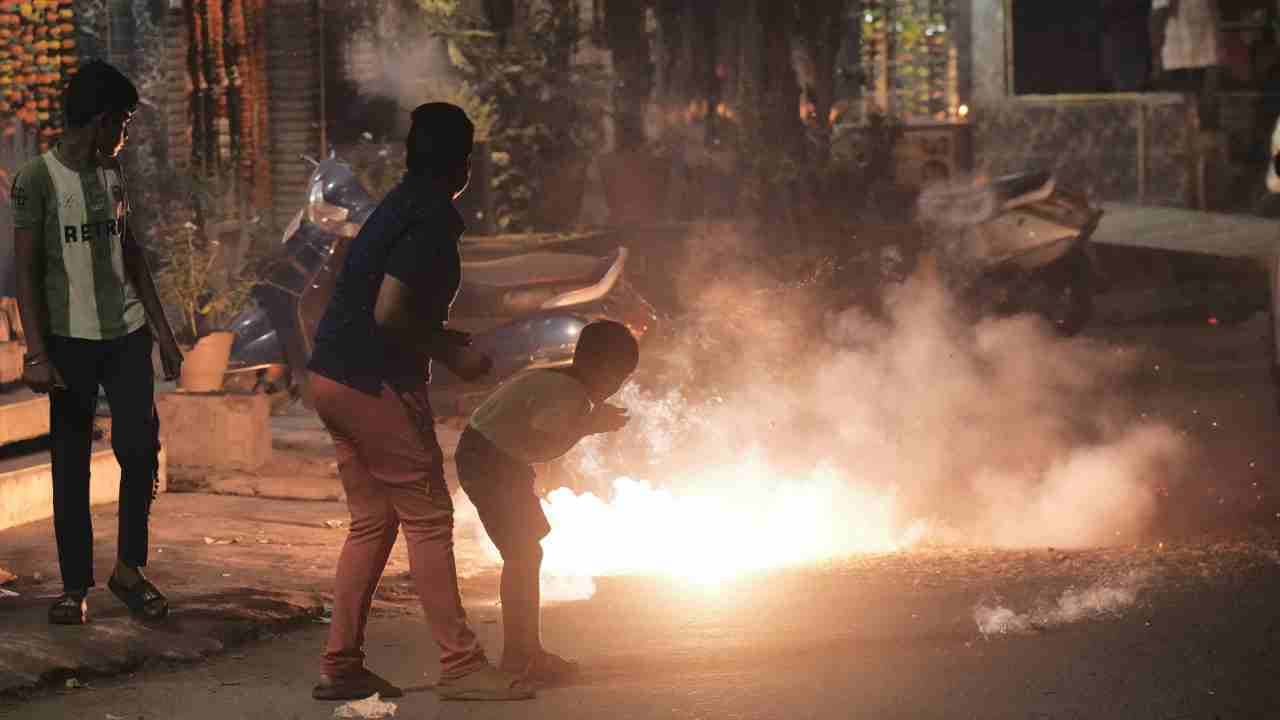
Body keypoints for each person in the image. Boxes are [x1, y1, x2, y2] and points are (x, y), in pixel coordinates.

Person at [305, 102, 534, 702]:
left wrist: (438, 340)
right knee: (429, 520)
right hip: (373, 383)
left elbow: (381, 303)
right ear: (463, 165)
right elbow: (390, 314)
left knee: (374, 521)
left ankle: (341, 664)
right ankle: (461, 665)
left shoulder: (397, 206)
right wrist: (453, 355)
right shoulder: (430, 221)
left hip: (331, 375)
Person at [10, 59, 183, 625]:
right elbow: (26, 273)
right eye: (125, 124)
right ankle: (73, 586)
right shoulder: (35, 179)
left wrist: (162, 332)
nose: (126, 136)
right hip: (68, 344)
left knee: (139, 452)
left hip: (126, 336)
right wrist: (35, 354)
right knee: (70, 463)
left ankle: (129, 569)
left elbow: (130, 253)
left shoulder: (112, 176)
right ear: (104, 120)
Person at [456, 320, 639, 685]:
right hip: (493, 462)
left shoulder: (556, 376)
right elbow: (545, 445)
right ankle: (520, 656)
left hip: (493, 457)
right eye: (618, 378)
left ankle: (526, 651)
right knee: (523, 555)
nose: (616, 388)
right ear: (601, 368)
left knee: (527, 553)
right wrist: (588, 425)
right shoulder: (569, 395)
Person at [1151, 0, 1224, 127]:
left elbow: (1214, 9)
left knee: (1201, 107)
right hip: (1176, 55)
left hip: (1201, 53)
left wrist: (1218, 44)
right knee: (1179, 108)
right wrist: (1157, 54)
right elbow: (1160, 13)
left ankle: (1198, 132)